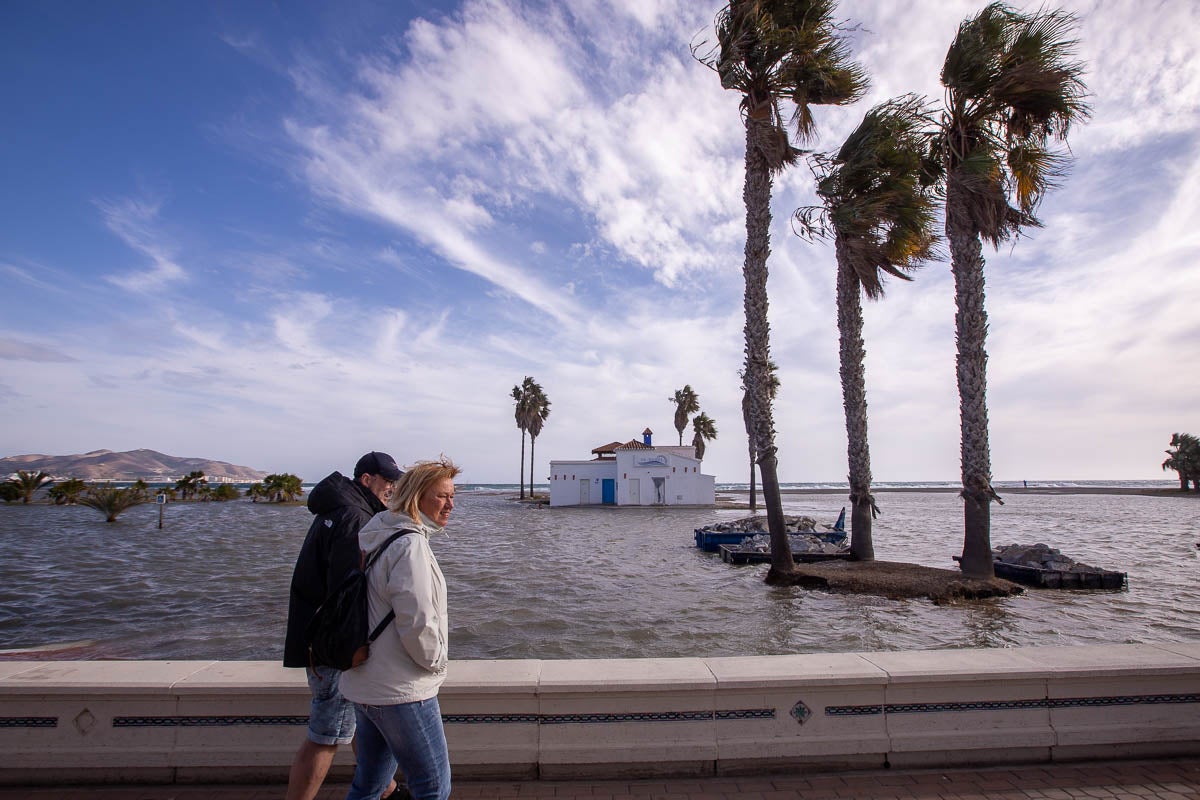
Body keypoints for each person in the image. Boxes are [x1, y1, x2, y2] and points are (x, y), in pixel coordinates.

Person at [283, 451, 404, 800]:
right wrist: (353, 649)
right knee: (328, 734)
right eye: (387, 480)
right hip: (334, 648)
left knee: (354, 728)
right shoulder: (355, 517)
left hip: (321, 641)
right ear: (366, 480)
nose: (392, 488)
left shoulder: (340, 510)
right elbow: (347, 594)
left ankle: (388, 790)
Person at [341, 456, 461, 800]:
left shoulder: (376, 534)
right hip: (402, 691)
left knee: (369, 784)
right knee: (433, 786)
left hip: (366, 684)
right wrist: (436, 662)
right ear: (415, 497)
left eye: (453, 496)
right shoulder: (410, 545)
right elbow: (418, 621)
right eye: (441, 496)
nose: (450, 504)